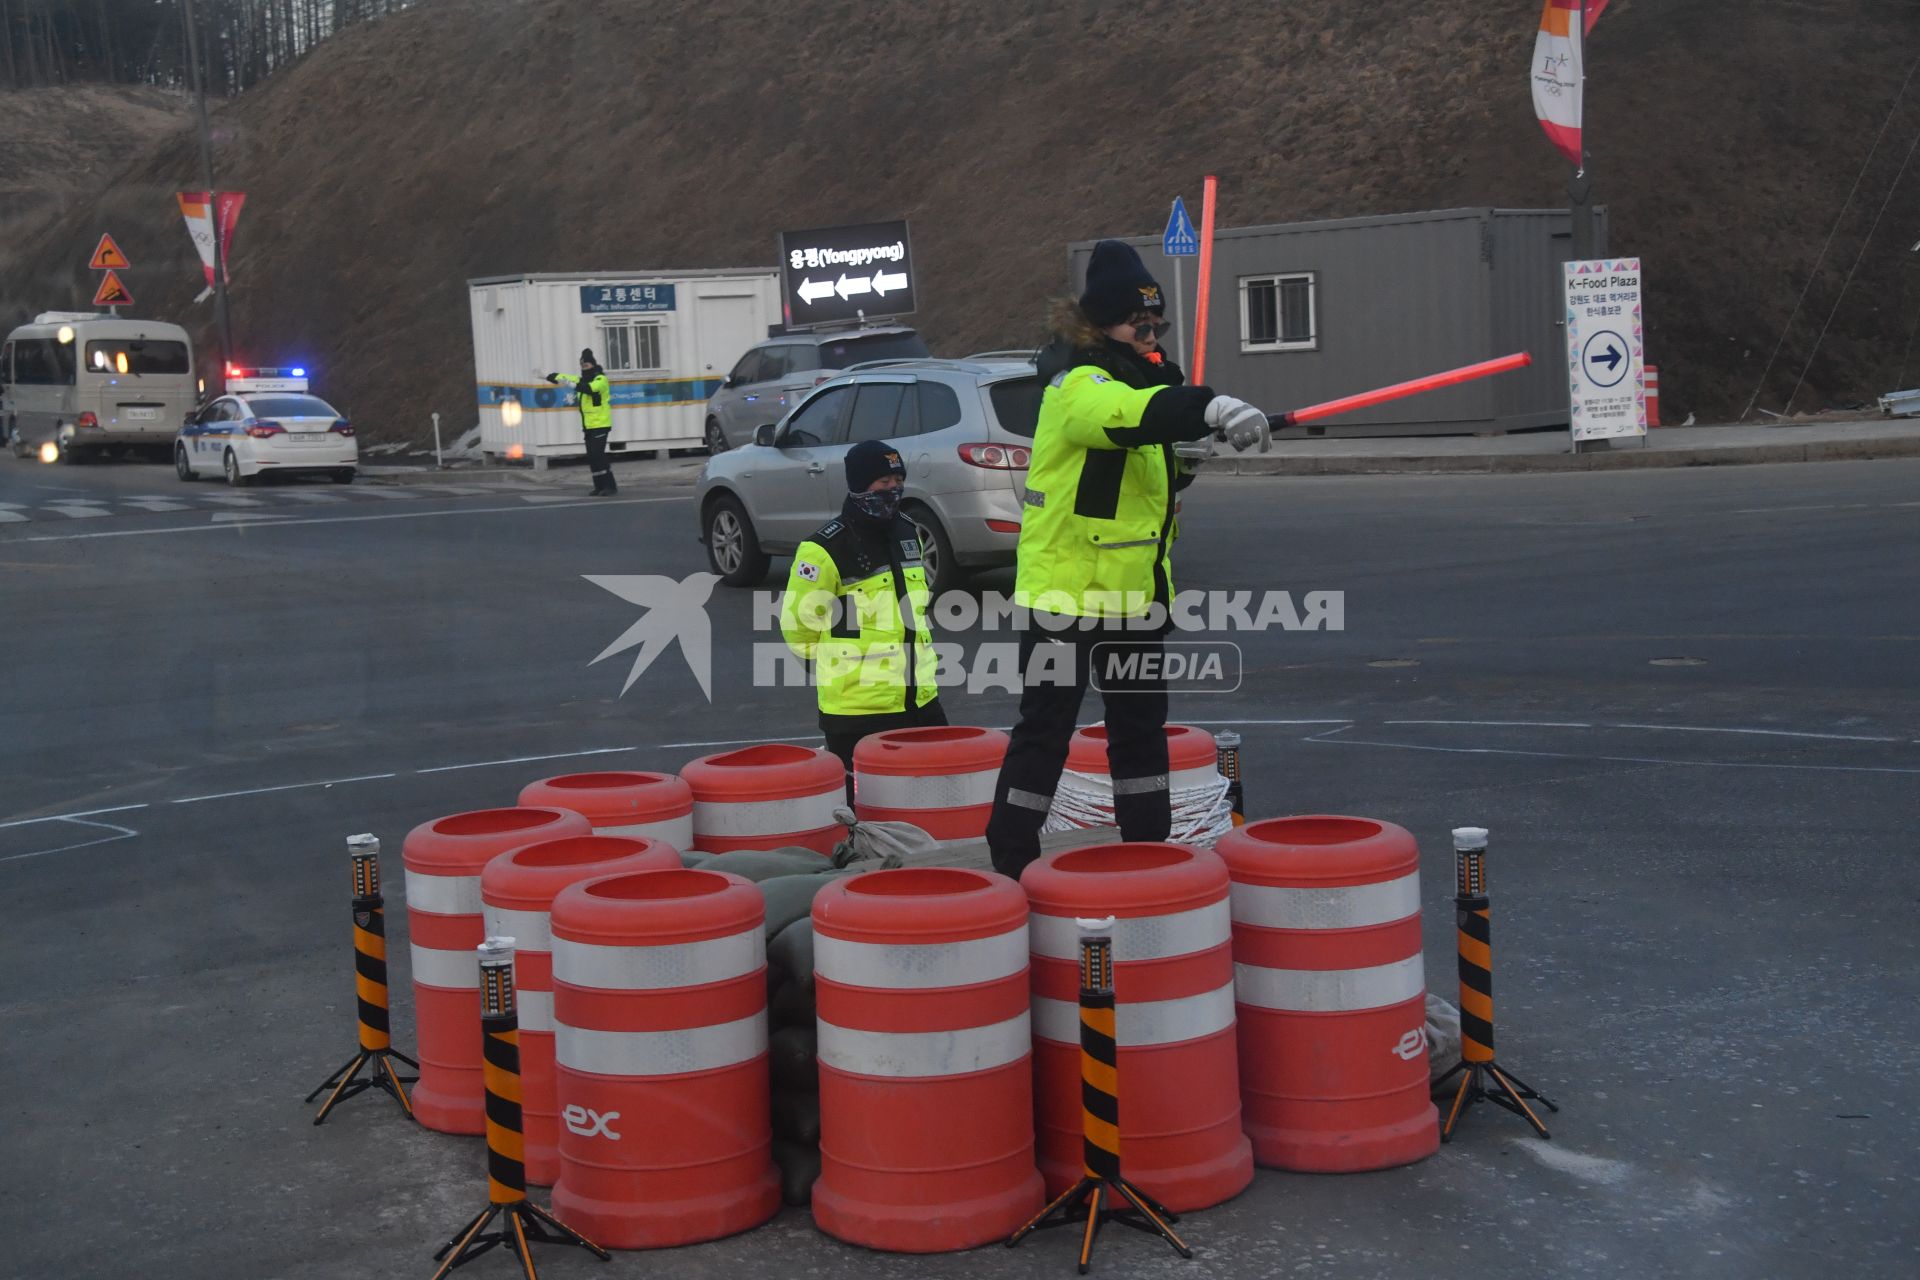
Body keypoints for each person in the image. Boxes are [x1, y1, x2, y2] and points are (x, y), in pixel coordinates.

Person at [984, 238, 1270, 877]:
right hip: (1065, 599)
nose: (1148, 329)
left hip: (1130, 599)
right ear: (1097, 322)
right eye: (1135, 319)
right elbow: (1123, 417)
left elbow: (1135, 482)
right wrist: (1210, 405)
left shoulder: (1142, 380)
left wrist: (1187, 456)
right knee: (1044, 736)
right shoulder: (1082, 383)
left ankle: (1148, 853)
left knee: (1141, 733)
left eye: (1156, 320)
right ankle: (1010, 864)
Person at [780, 438, 947, 802]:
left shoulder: (907, 531)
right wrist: (835, 668)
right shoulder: (823, 549)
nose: (893, 491)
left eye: (897, 482)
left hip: (920, 701)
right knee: (866, 812)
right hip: (858, 711)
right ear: (859, 486)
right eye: (883, 484)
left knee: (935, 799)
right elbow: (798, 626)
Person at [546, 348, 615, 495]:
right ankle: (599, 486)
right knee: (592, 456)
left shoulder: (600, 379)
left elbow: (590, 389)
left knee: (598, 455)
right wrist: (550, 376)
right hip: (588, 425)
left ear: (593, 365)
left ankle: (610, 486)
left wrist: (571, 384)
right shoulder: (581, 380)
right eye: (583, 366)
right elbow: (567, 377)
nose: (585, 368)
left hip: (601, 424)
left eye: (587, 365)